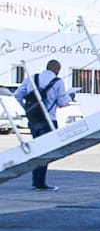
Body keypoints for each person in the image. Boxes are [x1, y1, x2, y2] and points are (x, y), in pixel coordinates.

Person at [13, 58, 74, 190]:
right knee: (45, 152)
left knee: (36, 149)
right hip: (48, 120)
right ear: (57, 69)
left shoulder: (32, 78)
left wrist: (26, 109)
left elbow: (17, 95)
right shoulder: (58, 82)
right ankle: (40, 182)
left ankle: (36, 180)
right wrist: (70, 96)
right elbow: (62, 103)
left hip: (33, 119)